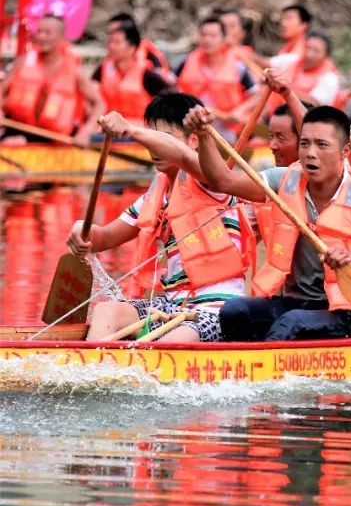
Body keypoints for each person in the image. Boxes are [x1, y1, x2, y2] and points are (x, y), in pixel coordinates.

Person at [189, 104, 351, 341]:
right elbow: (223, 181)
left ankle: (263, 374)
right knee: (234, 311)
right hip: (296, 303)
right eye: (304, 143)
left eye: (322, 145)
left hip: (348, 313)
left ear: (345, 152)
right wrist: (204, 134)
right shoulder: (284, 181)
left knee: (292, 323)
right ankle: (245, 371)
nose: (310, 153)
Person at [64, 93, 250, 342]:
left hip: (216, 311)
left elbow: (186, 158)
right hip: (169, 307)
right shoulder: (155, 194)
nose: (154, 147)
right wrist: (80, 230)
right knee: (107, 310)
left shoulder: (212, 180)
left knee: (176, 339)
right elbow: (104, 237)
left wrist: (129, 129)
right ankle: (94, 371)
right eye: (151, 137)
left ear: (193, 140)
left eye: (164, 139)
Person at [0, 15, 104, 146]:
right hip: (16, 130)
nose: (42, 36)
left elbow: (99, 104)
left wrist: (88, 130)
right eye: (39, 31)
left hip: (54, 139)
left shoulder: (74, 71)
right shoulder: (23, 62)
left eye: (48, 33)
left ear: (61, 38)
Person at [174, 17, 259, 133]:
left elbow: (256, 95)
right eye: (203, 35)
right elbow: (170, 86)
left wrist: (239, 111)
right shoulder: (186, 61)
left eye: (213, 36)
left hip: (226, 128)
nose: (207, 40)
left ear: (224, 39)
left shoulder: (237, 66)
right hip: (191, 125)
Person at [93, 22, 169, 124]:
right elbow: (90, 97)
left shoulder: (146, 75)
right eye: (110, 42)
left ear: (132, 47)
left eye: (117, 42)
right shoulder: (103, 69)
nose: (111, 46)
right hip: (108, 132)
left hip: (138, 134)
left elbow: (171, 100)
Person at [107, 12, 171, 79]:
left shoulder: (149, 58)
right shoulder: (108, 64)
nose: (111, 45)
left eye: (115, 31)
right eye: (109, 33)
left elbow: (163, 79)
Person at [288, 31, 339, 106]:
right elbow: (266, 63)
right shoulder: (292, 61)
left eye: (316, 51)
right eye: (307, 48)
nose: (309, 54)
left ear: (326, 56)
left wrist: (286, 89)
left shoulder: (329, 78)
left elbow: (313, 104)